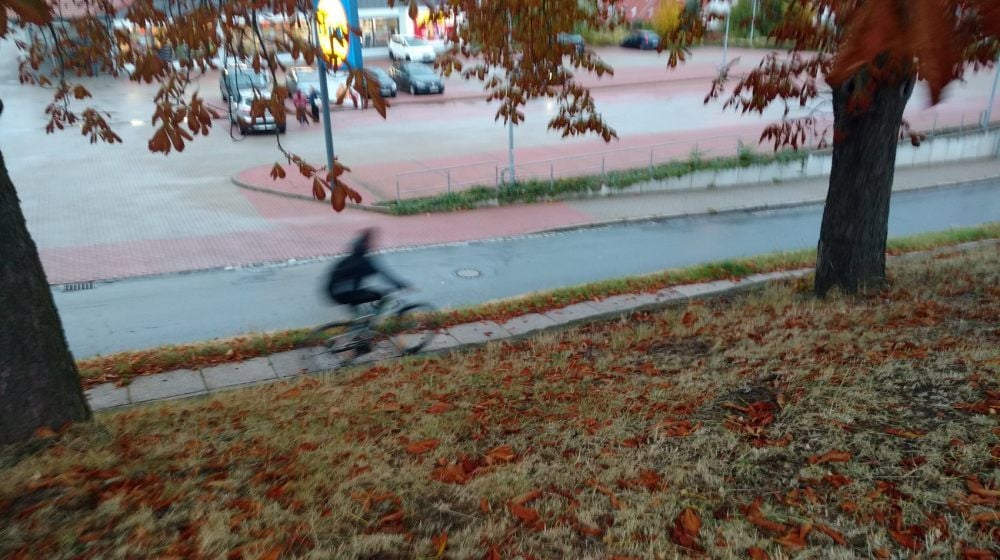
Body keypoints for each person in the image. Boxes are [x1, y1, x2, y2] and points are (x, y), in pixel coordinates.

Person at [326, 229, 408, 315]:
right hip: (345, 293)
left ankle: (359, 321)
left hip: (334, 291)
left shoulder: (349, 259)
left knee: (363, 296)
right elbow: (384, 274)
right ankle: (369, 320)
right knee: (380, 295)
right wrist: (401, 285)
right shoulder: (364, 262)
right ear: (366, 247)